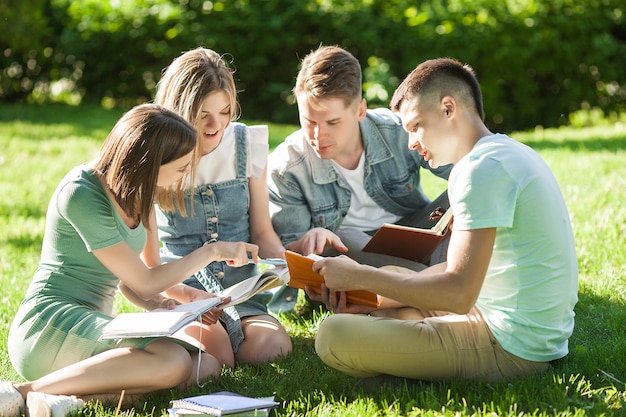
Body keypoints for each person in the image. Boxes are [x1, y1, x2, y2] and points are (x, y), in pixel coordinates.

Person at [310, 58, 579, 383]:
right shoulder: (505, 153)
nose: (411, 143)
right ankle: (409, 335)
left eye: (415, 126)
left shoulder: (478, 172)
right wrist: (373, 293)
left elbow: (458, 294)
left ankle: (414, 357)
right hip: (519, 327)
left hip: (510, 345)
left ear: (448, 108)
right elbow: (460, 274)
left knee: (332, 335)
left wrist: (362, 277)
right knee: (392, 278)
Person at [2, 103, 260, 417]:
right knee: (174, 361)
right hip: (49, 325)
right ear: (150, 162)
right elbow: (143, 281)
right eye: (181, 168)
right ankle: (20, 392)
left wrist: (186, 300)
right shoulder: (80, 193)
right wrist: (212, 251)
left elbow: (146, 275)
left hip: (95, 327)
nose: (186, 174)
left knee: (204, 367)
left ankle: (68, 399)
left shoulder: (141, 192)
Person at [146, 47, 292, 364]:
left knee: (272, 349)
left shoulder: (246, 144)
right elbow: (150, 267)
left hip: (242, 293)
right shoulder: (156, 156)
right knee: (219, 357)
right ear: (179, 110)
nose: (216, 125)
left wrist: (287, 265)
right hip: (185, 295)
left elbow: (263, 233)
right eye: (202, 115)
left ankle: (235, 331)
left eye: (225, 112)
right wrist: (186, 297)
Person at [267, 45, 451, 272]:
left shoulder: (398, 131)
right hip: (348, 255)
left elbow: (464, 166)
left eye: (333, 123)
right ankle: (432, 283)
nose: (318, 135)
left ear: (360, 111)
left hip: (414, 235)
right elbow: (287, 258)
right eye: (309, 122)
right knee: (343, 237)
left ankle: (426, 281)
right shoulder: (287, 169)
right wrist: (309, 239)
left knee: (464, 189)